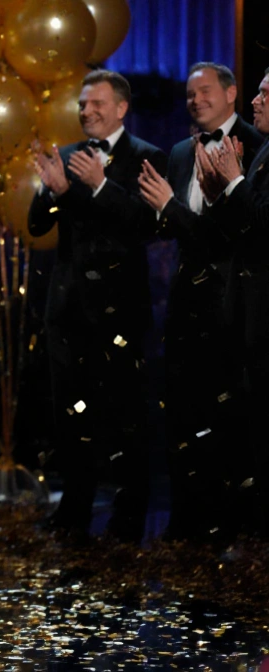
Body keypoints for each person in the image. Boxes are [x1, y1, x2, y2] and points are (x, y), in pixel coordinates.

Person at [29, 70, 167, 541]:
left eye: (96, 104)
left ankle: (130, 514)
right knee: (71, 412)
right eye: (83, 104)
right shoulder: (66, 157)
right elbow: (35, 226)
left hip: (120, 309)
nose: (86, 111)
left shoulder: (148, 156)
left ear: (121, 108)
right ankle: (74, 508)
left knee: (127, 413)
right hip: (68, 309)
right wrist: (52, 192)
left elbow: (145, 226)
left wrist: (99, 187)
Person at [134, 63, 263, 542]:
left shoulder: (256, 144)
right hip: (186, 299)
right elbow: (175, 231)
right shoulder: (181, 151)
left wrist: (171, 207)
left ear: (232, 94)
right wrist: (162, 211)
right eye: (189, 94)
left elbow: (228, 238)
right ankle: (186, 522)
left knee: (228, 419)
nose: (195, 99)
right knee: (182, 412)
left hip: (233, 303)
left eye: (205, 91)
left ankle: (231, 527)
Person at [188, 67, 269, 536]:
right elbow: (241, 230)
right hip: (244, 314)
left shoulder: (256, 153)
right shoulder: (264, 152)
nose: (256, 102)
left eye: (263, 93)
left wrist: (234, 184)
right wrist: (221, 194)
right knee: (247, 431)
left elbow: (265, 226)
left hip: (264, 318)